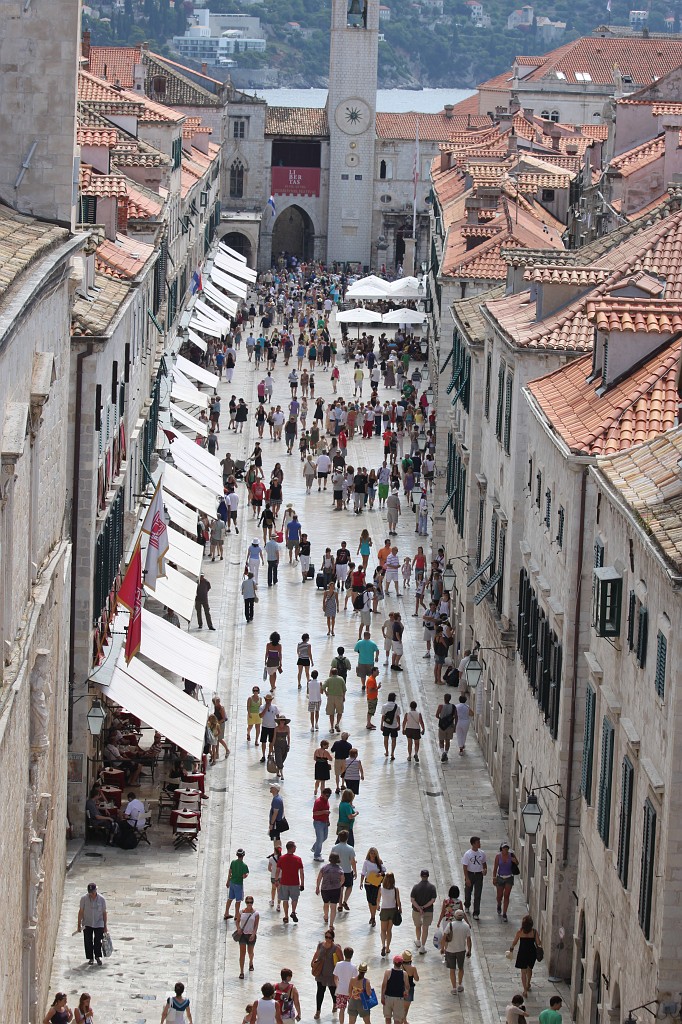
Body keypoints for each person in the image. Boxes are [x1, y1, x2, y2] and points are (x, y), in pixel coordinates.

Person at [312, 929, 344, 1020]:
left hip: (332, 974)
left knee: (333, 991)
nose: (327, 939)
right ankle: (318, 1011)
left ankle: (335, 1004)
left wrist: (340, 974)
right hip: (321, 973)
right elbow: (316, 954)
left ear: (333, 938)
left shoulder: (336, 948)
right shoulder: (320, 945)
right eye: (326, 937)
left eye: (329, 937)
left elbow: (342, 960)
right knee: (320, 992)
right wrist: (312, 963)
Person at [441, 909, 472, 993]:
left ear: (454, 916)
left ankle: (454, 987)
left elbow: (444, 937)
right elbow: (469, 940)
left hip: (450, 950)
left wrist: (442, 948)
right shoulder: (466, 926)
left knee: (452, 969)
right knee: (461, 968)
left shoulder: (450, 925)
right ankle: (460, 984)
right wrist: (469, 950)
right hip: (461, 950)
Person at [77, 882, 108, 966]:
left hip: (99, 923)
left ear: (96, 891)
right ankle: (90, 958)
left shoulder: (102, 899)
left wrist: (105, 926)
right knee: (88, 941)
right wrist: (78, 924)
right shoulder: (84, 899)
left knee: (98, 940)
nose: (92, 894)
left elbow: (104, 913)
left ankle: (98, 956)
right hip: (87, 922)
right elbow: (81, 911)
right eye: (90, 892)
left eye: (93, 892)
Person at [509, 914, 541, 997]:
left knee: (523, 972)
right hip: (531, 953)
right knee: (529, 969)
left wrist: (511, 948)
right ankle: (528, 983)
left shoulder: (520, 932)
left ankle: (524, 990)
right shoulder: (534, 932)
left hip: (522, 952)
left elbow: (515, 942)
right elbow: (538, 943)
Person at [275, 840, 304, 924]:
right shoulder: (298, 859)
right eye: (295, 847)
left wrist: (276, 880)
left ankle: (286, 916)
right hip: (295, 882)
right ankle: (293, 911)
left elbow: (277, 871)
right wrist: (302, 884)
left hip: (284, 882)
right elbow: (301, 872)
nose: (295, 848)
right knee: (295, 899)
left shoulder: (281, 858)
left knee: (285, 900)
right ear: (292, 848)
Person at [331, 831, 357, 917]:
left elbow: (331, 859)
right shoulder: (350, 848)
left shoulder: (334, 848)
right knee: (349, 886)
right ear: (347, 838)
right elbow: (352, 861)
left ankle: (340, 905)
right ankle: (345, 901)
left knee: (340, 888)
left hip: (337, 871)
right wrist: (355, 871)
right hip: (347, 871)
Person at [410, 870, 437, 954]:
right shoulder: (432, 887)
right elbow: (433, 900)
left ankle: (418, 940)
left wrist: (419, 908)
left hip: (416, 911)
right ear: (428, 876)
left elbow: (412, 900)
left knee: (418, 926)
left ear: (421, 876)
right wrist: (424, 907)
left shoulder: (415, 887)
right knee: (425, 928)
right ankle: (422, 947)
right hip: (428, 911)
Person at [316, 852, 346, 927]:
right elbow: (343, 879)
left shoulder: (324, 868)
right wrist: (339, 884)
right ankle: (331, 924)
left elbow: (319, 878)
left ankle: (326, 916)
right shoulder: (339, 869)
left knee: (326, 904)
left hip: (325, 889)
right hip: (335, 889)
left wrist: (317, 887)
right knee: (333, 906)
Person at [462, 837, 487, 920]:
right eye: (477, 842)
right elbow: (465, 867)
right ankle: (467, 905)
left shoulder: (482, 853)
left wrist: (484, 870)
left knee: (478, 894)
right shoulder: (468, 854)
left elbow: (484, 863)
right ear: (473, 844)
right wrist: (467, 878)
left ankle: (476, 912)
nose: (479, 844)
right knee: (468, 891)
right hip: (470, 874)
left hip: (479, 875)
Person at [493, 842, 519, 921]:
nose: (506, 849)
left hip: (509, 877)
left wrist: (514, 861)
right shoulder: (498, 857)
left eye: (507, 848)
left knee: (506, 895)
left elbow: (517, 863)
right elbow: (495, 868)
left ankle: (504, 913)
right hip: (500, 877)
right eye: (504, 848)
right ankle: (499, 904)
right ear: (501, 849)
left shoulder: (511, 855)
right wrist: (494, 877)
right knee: (499, 895)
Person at [377, 873, 401, 958]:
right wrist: (400, 909)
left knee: (383, 930)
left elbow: (378, 899)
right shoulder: (395, 890)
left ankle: (383, 945)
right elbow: (398, 901)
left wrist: (377, 906)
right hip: (393, 910)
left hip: (384, 910)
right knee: (389, 930)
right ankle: (388, 948)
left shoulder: (381, 889)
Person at [235, 895, 259, 978]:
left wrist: (253, 934)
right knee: (242, 953)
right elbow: (237, 921)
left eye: (251, 902)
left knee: (250, 952)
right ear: (245, 902)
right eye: (248, 902)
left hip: (251, 935)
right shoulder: (241, 912)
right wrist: (238, 928)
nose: (249, 904)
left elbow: (256, 925)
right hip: (242, 935)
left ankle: (251, 962)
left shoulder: (256, 913)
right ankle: (241, 971)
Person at [360, 847, 385, 927]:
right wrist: (361, 882)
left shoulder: (379, 862)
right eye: (371, 853)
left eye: (374, 853)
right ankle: (372, 915)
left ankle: (373, 917)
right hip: (368, 883)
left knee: (374, 900)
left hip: (376, 883)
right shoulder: (366, 862)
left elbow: (384, 870)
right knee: (369, 900)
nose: (373, 855)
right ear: (369, 854)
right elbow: (363, 872)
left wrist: (380, 874)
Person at [334, 947, 359, 1024]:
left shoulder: (338, 964)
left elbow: (335, 978)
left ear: (344, 954)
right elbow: (356, 981)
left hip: (341, 990)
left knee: (341, 1010)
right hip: (350, 991)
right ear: (352, 955)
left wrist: (338, 986)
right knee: (351, 1011)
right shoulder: (354, 967)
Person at [381, 955, 409, 1022]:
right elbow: (407, 986)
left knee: (387, 1018)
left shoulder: (388, 972)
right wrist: (406, 992)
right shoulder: (404, 973)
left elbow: (384, 985)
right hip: (399, 998)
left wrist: (382, 997)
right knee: (397, 1020)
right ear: (401, 964)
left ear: (393, 962)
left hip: (388, 997)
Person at [224, 848, 250, 922]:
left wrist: (228, 881)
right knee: (238, 901)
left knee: (230, 899)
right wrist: (246, 874)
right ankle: (236, 915)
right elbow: (244, 876)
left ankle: (226, 913)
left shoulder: (233, 862)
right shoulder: (244, 865)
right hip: (238, 884)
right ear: (243, 855)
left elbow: (230, 872)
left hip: (232, 882)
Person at [323, 668, 346, 734]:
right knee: (340, 712)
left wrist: (326, 692)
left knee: (331, 713)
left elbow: (323, 687)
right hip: (339, 697)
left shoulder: (329, 679)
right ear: (337, 672)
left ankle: (332, 727)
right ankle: (337, 723)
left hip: (330, 697)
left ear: (331, 672)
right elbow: (344, 689)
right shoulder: (341, 679)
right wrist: (344, 696)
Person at [313, 786, 333, 860]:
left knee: (324, 837)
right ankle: (317, 855)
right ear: (322, 794)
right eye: (327, 795)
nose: (328, 797)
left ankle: (315, 848)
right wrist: (324, 812)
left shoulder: (326, 801)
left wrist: (328, 821)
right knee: (320, 838)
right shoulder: (318, 802)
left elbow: (327, 812)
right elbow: (314, 813)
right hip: (318, 822)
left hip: (325, 822)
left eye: (329, 796)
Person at [436, 694, 457, 762]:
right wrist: (455, 726)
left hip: (442, 726)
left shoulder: (440, 706)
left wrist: (442, 719)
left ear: (444, 698)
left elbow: (436, 715)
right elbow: (456, 716)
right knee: (447, 740)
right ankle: (446, 753)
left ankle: (442, 752)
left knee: (441, 740)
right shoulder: (453, 707)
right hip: (450, 726)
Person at [381, 693, 401, 760]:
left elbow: (383, 717)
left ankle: (386, 752)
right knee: (393, 740)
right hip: (394, 726)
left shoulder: (384, 706)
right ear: (394, 698)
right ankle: (392, 753)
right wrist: (399, 725)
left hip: (386, 725)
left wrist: (381, 725)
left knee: (386, 739)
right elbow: (398, 717)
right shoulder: (397, 706)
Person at [260, 693, 279, 763]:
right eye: (267, 700)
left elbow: (277, 716)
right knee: (263, 742)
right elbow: (260, 716)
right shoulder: (262, 707)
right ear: (265, 700)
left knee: (271, 742)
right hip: (264, 726)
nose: (268, 701)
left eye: (269, 700)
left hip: (272, 727)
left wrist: (279, 725)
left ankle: (269, 754)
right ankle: (263, 755)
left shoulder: (275, 707)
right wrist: (266, 708)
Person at [400, 950, 419, 1019]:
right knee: (406, 1007)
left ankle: (402, 1020)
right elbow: (417, 979)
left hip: (400, 987)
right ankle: (404, 1020)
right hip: (410, 988)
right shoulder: (413, 968)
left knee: (400, 1005)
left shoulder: (400, 967)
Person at [273, 715, 291, 780]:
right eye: (281, 720)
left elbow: (288, 737)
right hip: (277, 744)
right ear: (279, 721)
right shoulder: (276, 728)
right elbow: (274, 737)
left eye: (283, 720)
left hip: (284, 744)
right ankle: (282, 775)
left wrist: (288, 745)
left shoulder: (287, 728)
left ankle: (278, 770)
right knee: (279, 759)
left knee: (283, 758)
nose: (282, 721)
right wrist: (271, 746)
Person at [268, 841, 282, 912]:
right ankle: (279, 905)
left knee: (273, 889)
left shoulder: (271, 858)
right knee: (279, 891)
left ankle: (272, 901)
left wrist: (273, 871)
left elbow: (269, 868)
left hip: (273, 876)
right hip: (280, 877)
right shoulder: (282, 858)